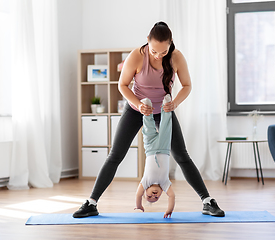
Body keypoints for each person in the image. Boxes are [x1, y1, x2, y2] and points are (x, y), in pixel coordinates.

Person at [73, 21, 224, 218]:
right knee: (116, 154)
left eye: (163, 52)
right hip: (137, 109)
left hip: (164, 110)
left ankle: (207, 201)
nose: (158, 55)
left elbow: (187, 85)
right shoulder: (137, 55)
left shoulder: (176, 57)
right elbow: (122, 85)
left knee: (182, 156)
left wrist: (174, 104)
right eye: (154, 51)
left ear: (170, 44)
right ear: (147, 42)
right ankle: (91, 203)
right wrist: (138, 104)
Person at [134, 95, 175, 218]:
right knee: (166, 126)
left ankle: (147, 106)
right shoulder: (165, 183)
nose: (154, 195)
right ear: (162, 193)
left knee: (148, 127)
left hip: (150, 148)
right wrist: (169, 209)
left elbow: (138, 194)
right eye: (156, 198)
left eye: (149, 196)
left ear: (145, 191)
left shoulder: (146, 182)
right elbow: (172, 196)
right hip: (164, 147)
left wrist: (139, 205)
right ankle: (166, 105)